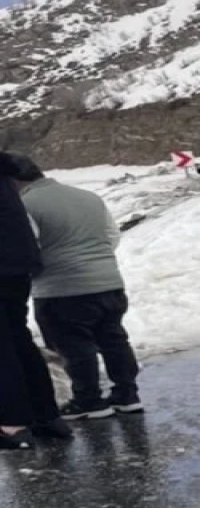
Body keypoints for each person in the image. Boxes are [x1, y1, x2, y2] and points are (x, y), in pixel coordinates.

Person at [9, 155, 143, 420]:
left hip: (61, 288)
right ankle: (127, 394)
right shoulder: (88, 197)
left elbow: (28, 246)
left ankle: (89, 400)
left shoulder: (24, 205)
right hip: (109, 282)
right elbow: (111, 237)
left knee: (74, 346)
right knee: (114, 339)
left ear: (14, 180)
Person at [0, 154, 73, 448]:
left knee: (4, 345)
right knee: (18, 339)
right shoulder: (4, 175)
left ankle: (12, 424)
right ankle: (47, 417)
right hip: (17, 266)